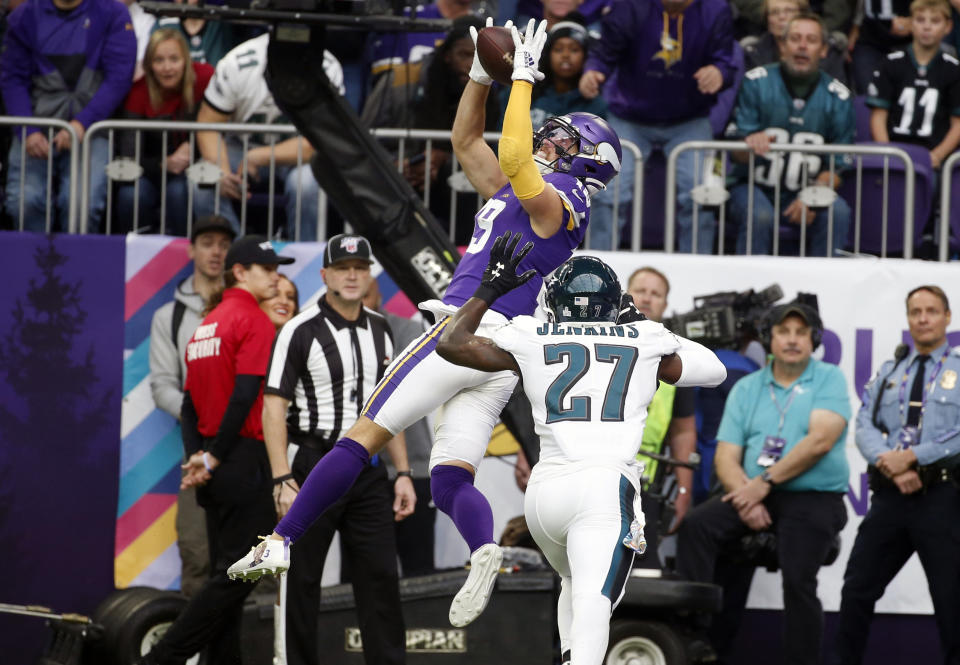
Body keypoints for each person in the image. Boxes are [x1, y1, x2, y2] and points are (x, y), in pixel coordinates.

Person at [227, 18, 623, 632]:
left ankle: (281, 538)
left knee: (361, 438)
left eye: (565, 141)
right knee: (448, 477)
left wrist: (520, 79)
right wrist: (480, 76)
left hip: (461, 332)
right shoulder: (530, 195)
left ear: (588, 163)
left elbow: (515, 154)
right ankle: (483, 548)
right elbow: (467, 142)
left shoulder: (562, 201)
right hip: (498, 356)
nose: (551, 140)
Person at [433, 235, 727, 664]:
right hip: (604, 490)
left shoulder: (533, 336)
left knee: (573, 583)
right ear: (616, 303)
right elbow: (714, 370)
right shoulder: (645, 341)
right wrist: (641, 321)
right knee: (595, 600)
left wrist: (488, 290)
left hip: (545, 494)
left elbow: (451, 343)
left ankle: (571, 656)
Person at [250, 233, 412, 665]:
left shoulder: (381, 328)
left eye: (360, 268)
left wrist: (403, 473)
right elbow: (273, 408)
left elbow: (389, 408)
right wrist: (283, 478)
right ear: (325, 275)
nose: (353, 276)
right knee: (301, 581)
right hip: (312, 467)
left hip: (368, 471)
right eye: (343, 268)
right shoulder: (298, 330)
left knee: (380, 580)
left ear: (369, 273)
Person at [139, 236, 294, 665]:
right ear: (240, 272)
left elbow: (189, 404)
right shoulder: (253, 321)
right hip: (243, 460)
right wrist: (214, 456)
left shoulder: (207, 324)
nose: (276, 276)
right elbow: (245, 396)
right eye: (267, 269)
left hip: (217, 462)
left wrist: (199, 456)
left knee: (226, 574)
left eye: (277, 269)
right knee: (240, 573)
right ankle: (163, 658)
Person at [676, 302, 850, 665]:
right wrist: (746, 498)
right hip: (751, 492)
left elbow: (820, 441)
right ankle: (695, 641)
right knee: (697, 527)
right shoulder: (748, 387)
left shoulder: (828, 378)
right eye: (783, 332)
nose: (791, 340)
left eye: (800, 333)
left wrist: (764, 483)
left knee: (798, 581)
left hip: (812, 497)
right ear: (769, 339)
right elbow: (725, 455)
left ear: (814, 339)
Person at [829, 285, 960, 665]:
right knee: (856, 590)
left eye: (931, 311)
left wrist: (914, 457)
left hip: (942, 498)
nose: (923, 318)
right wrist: (892, 461)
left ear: (947, 317)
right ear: (908, 319)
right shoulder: (890, 371)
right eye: (915, 311)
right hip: (891, 498)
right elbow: (864, 426)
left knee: (951, 601)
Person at [579, 0, 738, 252]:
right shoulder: (630, 5)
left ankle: (698, 267)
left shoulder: (715, 8)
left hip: (690, 119)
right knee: (608, 194)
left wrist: (719, 72)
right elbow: (604, 52)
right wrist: (593, 71)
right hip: (629, 117)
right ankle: (602, 262)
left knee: (703, 196)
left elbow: (727, 61)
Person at [148, 215, 234, 597]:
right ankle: (196, 655)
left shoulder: (248, 307)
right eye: (208, 242)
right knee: (197, 554)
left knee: (258, 556)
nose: (216, 251)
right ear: (192, 249)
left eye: (224, 244)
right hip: (198, 448)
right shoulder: (171, 316)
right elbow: (162, 385)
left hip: (250, 447)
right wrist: (201, 415)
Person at [192, 33, 343, 241]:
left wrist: (259, 156)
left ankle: (304, 260)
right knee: (203, 179)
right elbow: (208, 123)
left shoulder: (326, 67)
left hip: (297, 156)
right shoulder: (237, 63)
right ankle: (238, 255)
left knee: (307, 184)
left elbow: (321, 141)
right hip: (240, 146)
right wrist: (223, 170)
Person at [0, 0, 136, 233]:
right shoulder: (24, 15)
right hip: (36, 127)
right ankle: (33, 263)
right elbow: (12, 78)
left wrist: (82, 123)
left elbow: (118, 78)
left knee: (82, 204)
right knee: (25, 202)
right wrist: (28, 130)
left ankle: (77, 266)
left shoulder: (113, 13)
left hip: (92, 129)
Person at [728, 12, 854, 257]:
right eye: (795, 39)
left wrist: (813, 195)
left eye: (811, 40)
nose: (802, 46)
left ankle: (827, 289)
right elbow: (735, 153)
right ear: (782, 46)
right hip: (755, 186)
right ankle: (749, 289)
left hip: (806, 188)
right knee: (760, 215)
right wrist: (749, 144)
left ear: (824, 50)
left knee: (838, 212)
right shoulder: (756, 83)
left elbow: (839, 166)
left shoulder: (839, 97)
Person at [363, 279, 438, 577]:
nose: (362, 304)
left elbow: (399, 394)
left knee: (419, 571)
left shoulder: (407, 331)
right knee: (359, 574)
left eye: (367, 295)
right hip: (361, 472)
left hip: (415, 468)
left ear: (379, 295)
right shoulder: (332, 336)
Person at [624, 267, 698, 568]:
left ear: (665, 305)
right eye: (640, 290)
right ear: (625, 294)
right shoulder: (597, 338)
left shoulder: (676, 357)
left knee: (641, 571)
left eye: (656, 294)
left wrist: (683, 490)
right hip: (595, 475)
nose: (646, 298)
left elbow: (684, 431)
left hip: (646, 488)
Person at [118, 28, 215, 235]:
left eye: (174, 59)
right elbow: (128, 154)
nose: (167, 68)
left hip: (195, 166)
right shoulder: (138, 92)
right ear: (149, 65)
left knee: (178, 192)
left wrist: (195, 147)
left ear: (186, 60)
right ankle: (134, 253)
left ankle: (184, 252)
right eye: (159, 60)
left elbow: (222, 127)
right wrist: (163, 163)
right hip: (150, 169)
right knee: (131, 195)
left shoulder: (205, 78)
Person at [508, 17, 609, 130]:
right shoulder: (528, 89)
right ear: (548, 55)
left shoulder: (595, 104)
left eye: (574, 50)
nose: (565, 55)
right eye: (558, 49)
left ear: (585, 56)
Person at [740, 0, 850, 85]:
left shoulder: (828, 50)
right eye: (774, 12)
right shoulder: (754, 52)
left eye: (789, 11)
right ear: (767, 20)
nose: (781, 17)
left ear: (803, 16)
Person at [849, 0, 913, 93]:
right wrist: (856, 26)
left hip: (909, 41)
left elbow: (936, 6)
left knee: (908, 92)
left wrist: (916, 20)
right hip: (870, 38)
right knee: (868, 93)